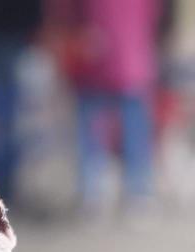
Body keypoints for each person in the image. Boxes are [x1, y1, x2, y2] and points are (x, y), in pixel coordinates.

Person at [49, 0, 164, 210]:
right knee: (118, 128)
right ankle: (128, 190)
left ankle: (104, 190)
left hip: (116, 56)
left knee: (111, 128)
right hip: (115, 57)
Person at [0, 0, 46, 204]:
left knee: (7, 115)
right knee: (5, 115)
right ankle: (2, 186)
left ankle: (2, 185)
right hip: (7, 28)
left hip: (8, 28)